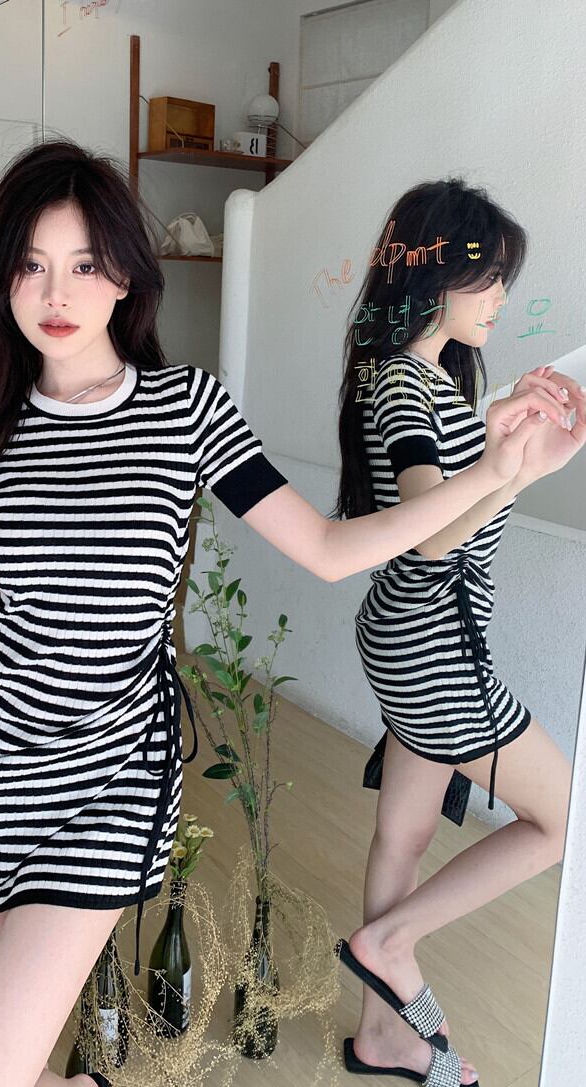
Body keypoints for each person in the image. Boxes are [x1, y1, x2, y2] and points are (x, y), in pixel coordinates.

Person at [0, 141, 584, 1087]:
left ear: (125, 275)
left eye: (85, 264)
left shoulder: (184, 408)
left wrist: (500, 471)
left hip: (104, 785)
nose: (56, 292)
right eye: (31, 264)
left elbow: (330, 548)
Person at [332, 178, 586, 1087]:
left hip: (407, 635)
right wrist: (504, 463)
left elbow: (454, 519)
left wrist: (526, 465)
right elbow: (430, 532)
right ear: (434, 273)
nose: (500, 297)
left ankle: (382, 1034)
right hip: (436, 648)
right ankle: (391, 943)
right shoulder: (407, 383)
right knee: (561, 818)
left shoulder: (418, 375)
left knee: (401, 838)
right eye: (488, 277)